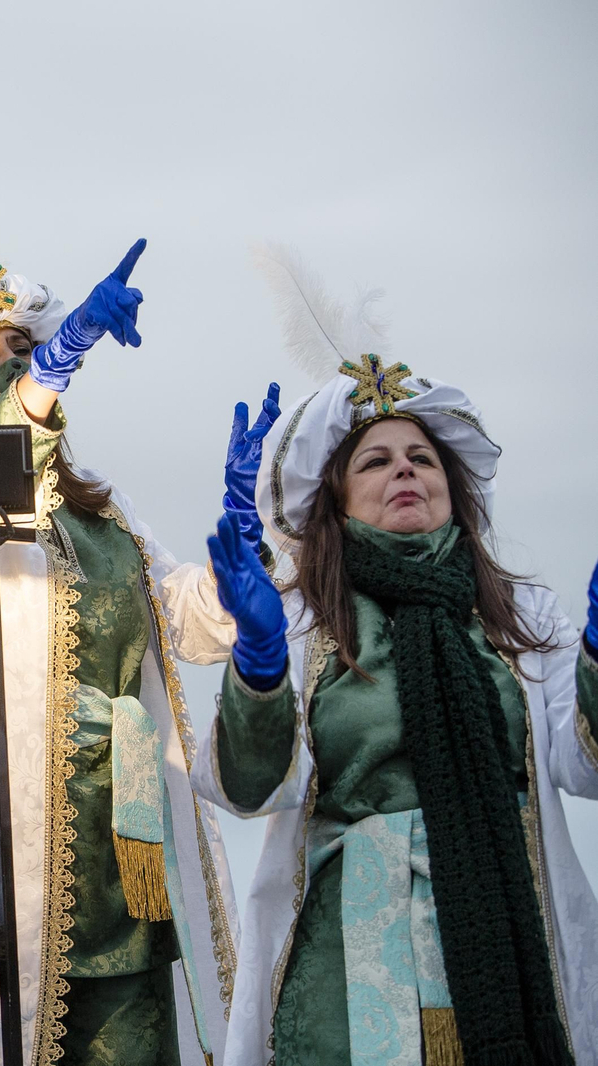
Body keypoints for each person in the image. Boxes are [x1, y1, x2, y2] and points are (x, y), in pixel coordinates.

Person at [192, 249, 598, 1065]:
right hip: (350, 962)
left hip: (508, 930)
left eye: (421, 457)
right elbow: (246, 792)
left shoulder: (522, 614)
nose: (405, 469)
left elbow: (582, 765)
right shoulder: (304, 619)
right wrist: (262, 669)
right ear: (337, 506)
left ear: (453, 484)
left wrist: (595, 656)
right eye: (375, 461)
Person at [0, 201, 249, 1065]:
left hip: (126, 841)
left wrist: (248, 553)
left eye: (22, 347)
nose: (16, 361)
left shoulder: (101, 507)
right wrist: (62, 357)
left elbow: (189, 623)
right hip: (7, 838)